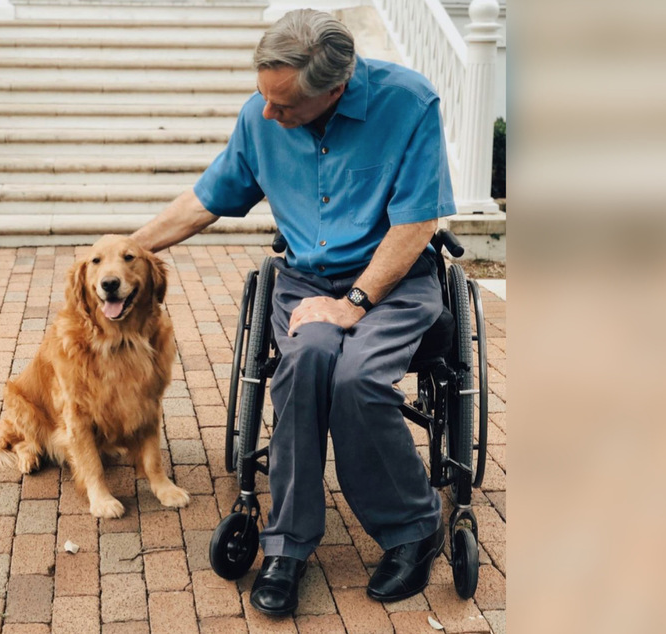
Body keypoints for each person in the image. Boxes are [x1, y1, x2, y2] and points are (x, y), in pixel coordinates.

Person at [131, 9, 456, 615]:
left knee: (357, 379)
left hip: (393, 282)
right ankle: (287, 544)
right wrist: (127, 248)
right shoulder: (263, 113)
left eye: (285, 106)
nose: (269, 115)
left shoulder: (408, 104)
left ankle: (414, 527)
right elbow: (207, 199)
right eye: (264, 98)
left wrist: (354, 302)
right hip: (304, 282)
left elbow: (416, 222)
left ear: (336, 88)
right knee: (305, 363)